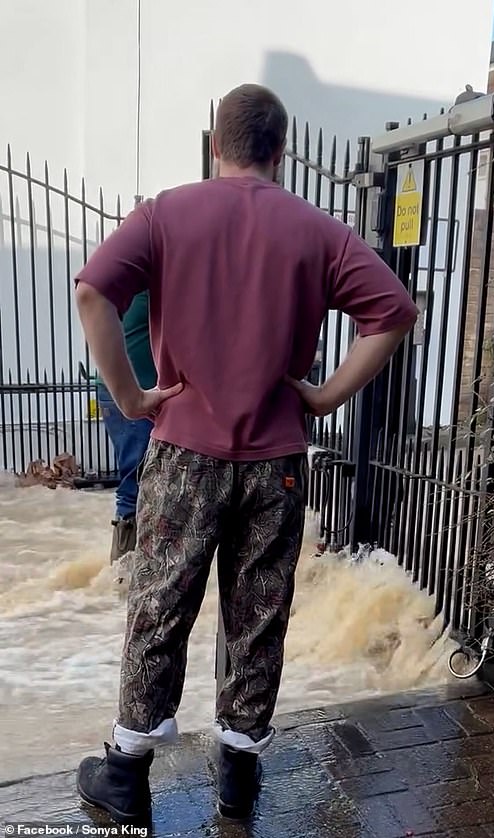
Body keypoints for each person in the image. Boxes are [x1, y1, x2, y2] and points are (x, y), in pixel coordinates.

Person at [74, 83, 418, 826]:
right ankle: (238, 777)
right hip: (277, 462)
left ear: (213, 145)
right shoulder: (317, 230)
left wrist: (133, 398)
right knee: (258, 615)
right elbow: (393, 311)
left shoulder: (167, 212)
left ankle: (127, 775)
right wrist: (325, 396)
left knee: (160, 607)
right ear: (281, 151)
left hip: (183, 454)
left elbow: (92, 293)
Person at [96, 290, 157, 563]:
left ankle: (127, 566)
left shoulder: (129, 287)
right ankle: (124, 568)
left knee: (137, 476)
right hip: (133, 392)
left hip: (117, 389)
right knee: (136, 479)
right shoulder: (152, 288)